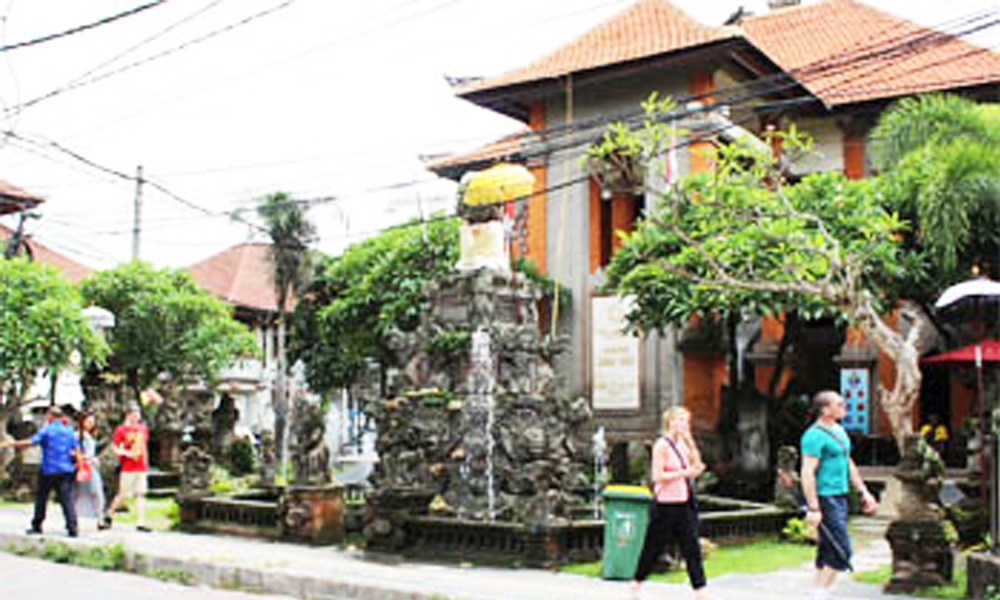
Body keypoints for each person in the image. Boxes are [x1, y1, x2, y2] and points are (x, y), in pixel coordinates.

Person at [801, 390, 879, 600]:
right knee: (841, 548)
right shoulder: (814, 436)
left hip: (841, 495)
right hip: (825, 497)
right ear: (825, 409)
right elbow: (807, 473)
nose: (845, 406)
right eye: (840, 404)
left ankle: (818, 592)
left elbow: (848, 463)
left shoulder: (839, 430)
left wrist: (864, 492)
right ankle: (820, 594)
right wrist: (813, 507)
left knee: (828, 548)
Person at [629, 407, 712, 600]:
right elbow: (657, 476)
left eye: (686, 421)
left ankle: (700, 590)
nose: (684, 424)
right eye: (680, 420)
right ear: (670, 422)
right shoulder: (662, 445)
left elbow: (698, 465)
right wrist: (684, 473)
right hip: (666, 504)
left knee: (692, 547)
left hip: (684, 502)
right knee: (654, 546)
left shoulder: (684, 443)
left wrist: (691, 442)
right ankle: (636, 582)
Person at [0, 406, 80, 537]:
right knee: (67, 499)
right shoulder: (69, 432)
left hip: (49, 469)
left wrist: (9, 444)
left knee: (42, 498)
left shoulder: (47, 430)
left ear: (50, 416)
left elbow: (31, 442)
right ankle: (72, 527)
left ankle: (37, 525)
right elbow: (77, 451)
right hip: (66, 469)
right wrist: (79, 467)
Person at [102, 403, 150, 532]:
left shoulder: (143, 429)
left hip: (141, 466)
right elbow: (115, 447)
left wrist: (145, 462)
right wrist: (125, 453)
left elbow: (144, 447)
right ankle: (109, 515)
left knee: (141, 494)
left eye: (138, 414)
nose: (136, 417)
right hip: (128, 466)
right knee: (123, 495)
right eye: (134, 414)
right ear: (128, 415)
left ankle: (141, 522)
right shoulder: (121, 430)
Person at [74, 412, 107, 530]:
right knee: (79, 493)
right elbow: (73, 451)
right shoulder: (77, 435)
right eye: (88, 422)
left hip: (92, 466)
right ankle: (75, 520)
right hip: (82, 466)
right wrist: (84, 458)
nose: (90, 424)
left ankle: (100, 519)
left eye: (92, 422)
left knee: (97, 491)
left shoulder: (92, 435)